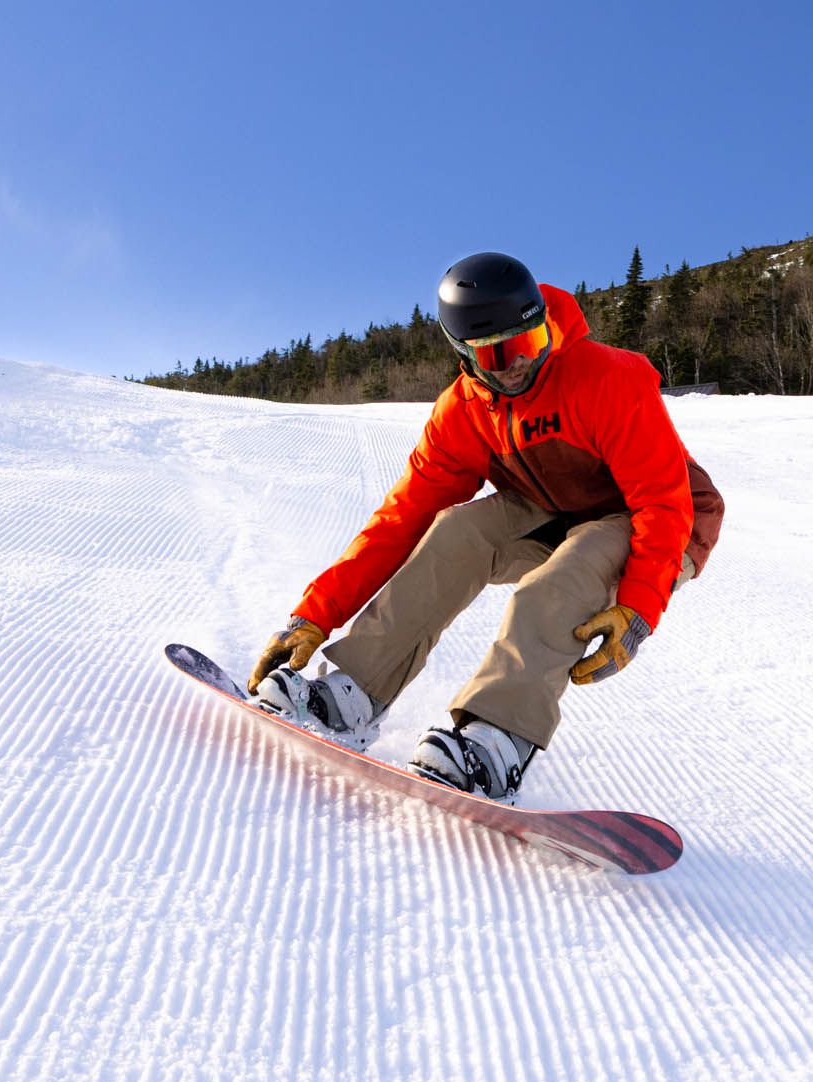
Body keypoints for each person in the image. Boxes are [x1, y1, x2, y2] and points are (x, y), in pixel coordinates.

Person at [248, 251, 724, 802]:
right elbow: (401, 519)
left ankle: (497, 742)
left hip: (665, 521)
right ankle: (354, 694)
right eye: (497, 353)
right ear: (463, 353)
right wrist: (313, 613)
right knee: (454, 533)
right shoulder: (464, 413)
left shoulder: (606, 377)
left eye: (527, 341)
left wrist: (639, 607)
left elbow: (662, 503)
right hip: (553, 506)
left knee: (560, 581)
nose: (517, 363)